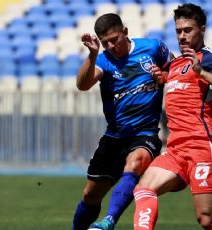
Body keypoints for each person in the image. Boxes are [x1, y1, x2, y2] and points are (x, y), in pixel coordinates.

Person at [133, 4, 212, 230]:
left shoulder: (209, 58)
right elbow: (186, 97)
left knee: (208, 220)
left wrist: (202, 72)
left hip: (201, 147)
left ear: (202, 30)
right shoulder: (176, 63)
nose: (182, 36)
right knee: (143, 189)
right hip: (176, 148)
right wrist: (161, 78)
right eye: (178, 31)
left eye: (188, 30)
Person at [71, 13, 171, 230]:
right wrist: (93, 54)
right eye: (105, 42)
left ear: (125, 31)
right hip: (115, 135)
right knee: (90, 195)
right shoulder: (103, 59)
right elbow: (83, 84)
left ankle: (108, 221)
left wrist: (163, 75)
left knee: (135, 163)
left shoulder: (153, 48)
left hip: (145, 132)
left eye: (114, 39)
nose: (111, 45)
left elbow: (175, 69)